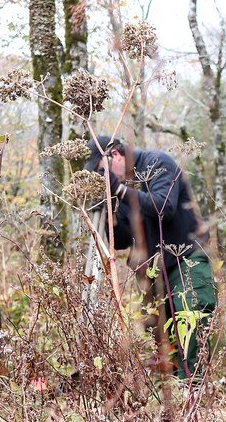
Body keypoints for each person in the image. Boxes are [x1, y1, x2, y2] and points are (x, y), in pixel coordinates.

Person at [84, 136, 216, 379]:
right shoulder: (119, 189)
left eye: (101, 172)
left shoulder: (157, 163)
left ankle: (197, 392)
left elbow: (163, 207)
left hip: (185, 260)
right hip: (153, 273)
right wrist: (107, 212)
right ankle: (175, 401)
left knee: (192, 319)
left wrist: (119, 190)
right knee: (162, 338)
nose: (102, 179)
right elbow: (124, 240)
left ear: (115, 155)